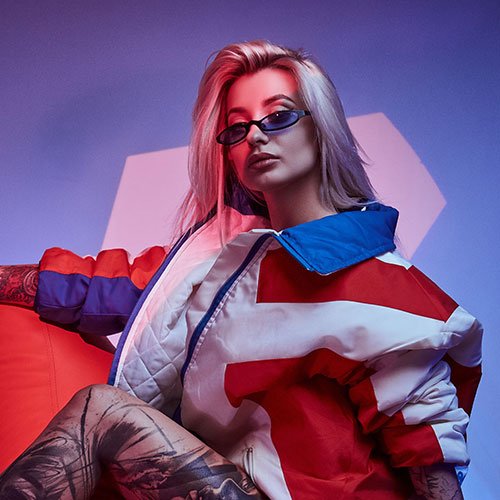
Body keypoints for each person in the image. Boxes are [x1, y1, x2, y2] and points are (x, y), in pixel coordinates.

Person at [0, 40, 482, 499]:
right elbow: (97, 287)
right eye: (237, 128)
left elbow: (428, 447)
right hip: (221, 480)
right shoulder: (213, 259)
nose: (255, 135)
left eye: (279, 116)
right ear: (228, 154)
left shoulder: (385, 286)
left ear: (321, 128)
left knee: (101, 411)